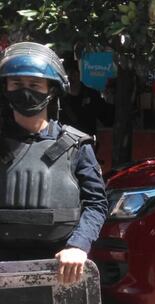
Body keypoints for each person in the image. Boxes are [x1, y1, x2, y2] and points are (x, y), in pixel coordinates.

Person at [0, 42, 108, 285]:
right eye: (16, 84)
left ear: (51, 90)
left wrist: (78, 246)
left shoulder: (76, 145)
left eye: (34, 84)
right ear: (5, 88)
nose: (25, 91)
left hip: (60, 266)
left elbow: (96, 204)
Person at [58, 55, 114, 137]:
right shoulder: (59, 99)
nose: (70, 77)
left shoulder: (92, 95)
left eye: (72, 72)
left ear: (78, 73)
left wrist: (112, 99)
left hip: (87, 142)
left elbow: (108, 119)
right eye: (67, 74)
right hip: (65, 142)